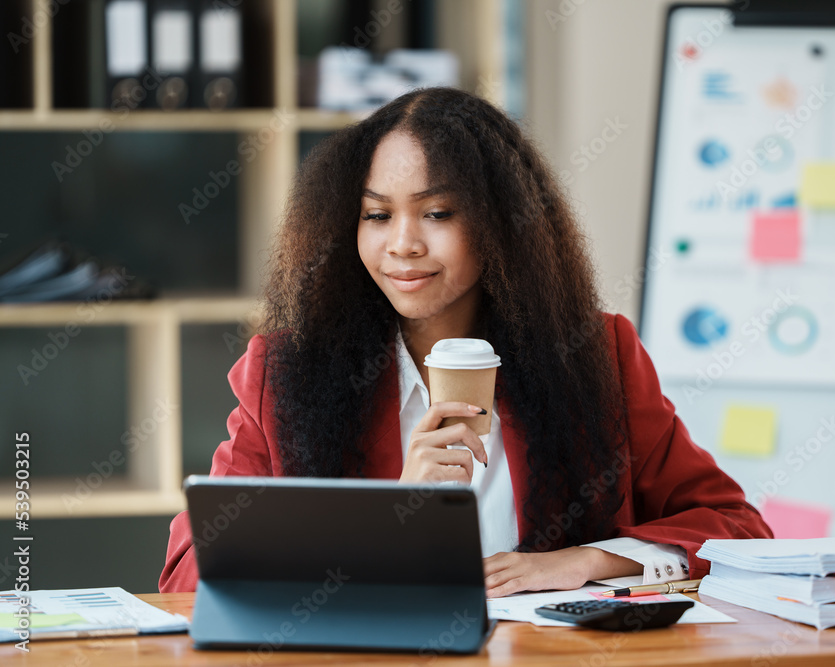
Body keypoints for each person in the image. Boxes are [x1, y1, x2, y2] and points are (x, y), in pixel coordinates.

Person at [159, 86, 771, 596]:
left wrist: (583, 561)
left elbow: (739, 530)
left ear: (501, 224)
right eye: (376, 216)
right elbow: (189, 574)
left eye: (438, 214)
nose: (402, 243)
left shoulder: (596, 356)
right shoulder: (288, 370)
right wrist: (390, 516)